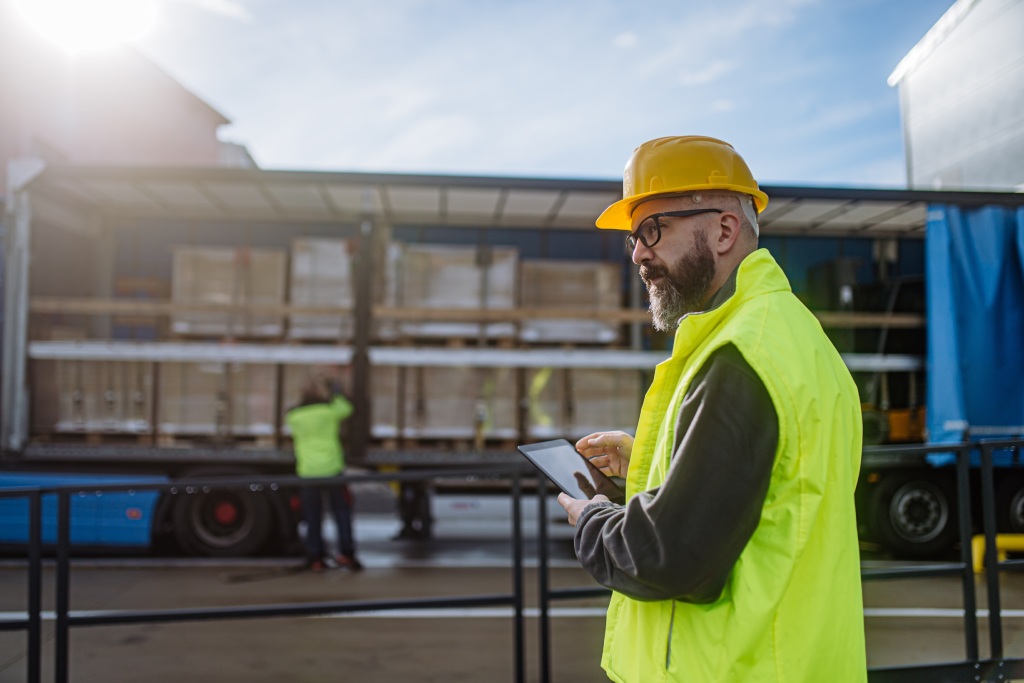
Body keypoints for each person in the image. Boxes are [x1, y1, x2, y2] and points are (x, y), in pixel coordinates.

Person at [557, 136, 867, 682]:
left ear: (723, 230)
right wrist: (653, 467)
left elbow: (667, 557)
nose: (638, 254)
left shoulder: (739, 357)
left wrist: (592, 521)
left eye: (654, 230)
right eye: (634, 237)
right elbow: (773, 494)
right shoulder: (790, 334)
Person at [286, 370, 363, 572]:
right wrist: (336, 390)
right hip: (332, 469)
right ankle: (346, 554)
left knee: (312, 517)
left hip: (308, 472)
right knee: (341, 512)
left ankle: (316, 557)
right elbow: (347, 408)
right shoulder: (329, 413)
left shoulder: (295, 417)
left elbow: (289, 416)